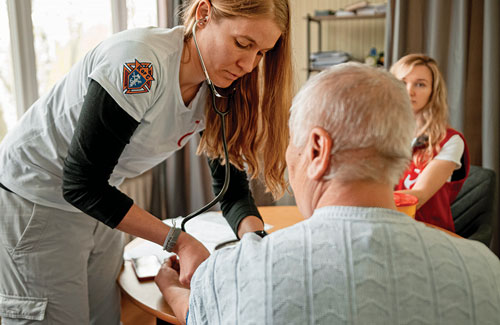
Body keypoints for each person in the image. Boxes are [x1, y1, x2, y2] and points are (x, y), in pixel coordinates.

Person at [0, 0, 292, 323]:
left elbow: (232, 191)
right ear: (204, 14)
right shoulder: (140, 64)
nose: (249, 65)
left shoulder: (221, 88)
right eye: (242, 44)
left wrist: (257, 248)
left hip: (102, 199)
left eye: (261, 53)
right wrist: (178, 241)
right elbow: (81, 182)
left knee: (104, 317)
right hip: (36, 197)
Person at [155, 63, 500, 324]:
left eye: (294, 143)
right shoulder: (485, 269)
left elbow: (198, 315)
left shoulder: (233, 272)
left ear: (317, 149)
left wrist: (171, 287)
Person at [390, 54, 469, 232]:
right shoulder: (379, 135)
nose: (409, 91)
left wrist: (362, 200)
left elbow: (419, 196)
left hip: (428, 235)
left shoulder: (451, 141)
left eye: (420, 84)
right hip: (384, 227)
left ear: (433, 92)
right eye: (402, 83)